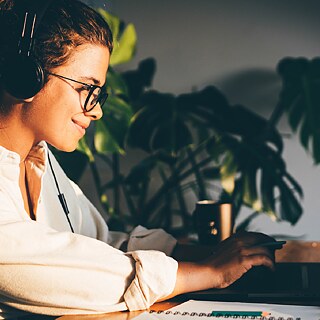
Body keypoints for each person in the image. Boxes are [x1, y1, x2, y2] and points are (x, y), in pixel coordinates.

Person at [0, 0, 277, 318]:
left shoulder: (39, 161)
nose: (97, 110)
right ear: (25, 77)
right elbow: (47, 268)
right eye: (87, 88)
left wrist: (200, 254)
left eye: (99, 94)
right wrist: (203, 272)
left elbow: (95, 244)